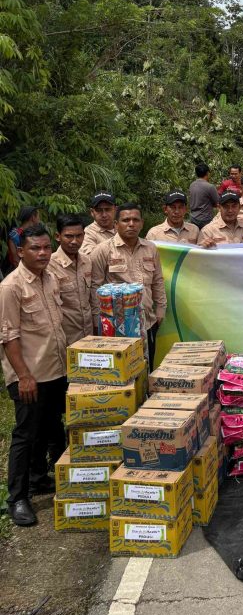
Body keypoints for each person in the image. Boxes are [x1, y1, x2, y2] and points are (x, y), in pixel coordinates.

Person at [0, 224, 68, 526]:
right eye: (34, 248)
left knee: (51, 427)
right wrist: (24, 375)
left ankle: (40, 479)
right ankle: (16, 497)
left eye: (45, 247)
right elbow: (8, 337)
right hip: (29, 375)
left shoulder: (50, 278)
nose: (42, 253)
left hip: (55, 369)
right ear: (21, 251)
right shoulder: (11, 286)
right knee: (25, 435)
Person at [91, 203, 167, 369]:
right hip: (117, 327)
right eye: (126, 220)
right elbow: (94, 288)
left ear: (141, 223)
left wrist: (161, 309)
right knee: (121, 371)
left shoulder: (151, 248)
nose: (131, 224)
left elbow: (158, 281)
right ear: (116, 224)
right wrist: (99, 321)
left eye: (135, 220)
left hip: (147, 322)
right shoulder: (103, 250)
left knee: (146, 369)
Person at [48, 214, 94, 345]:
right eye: (69, 236)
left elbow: (91, 298)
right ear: (58, 236)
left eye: (79, 236)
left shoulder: (87, 261)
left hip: (89, 335)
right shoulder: (49, 266)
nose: (74, 241)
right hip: (65, 339)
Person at [188, 163, 219, 229]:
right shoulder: (210, 187)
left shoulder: (192, 185)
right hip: (206, 219)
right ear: (207, 173)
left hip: (193, 218)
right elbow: (217, 203)